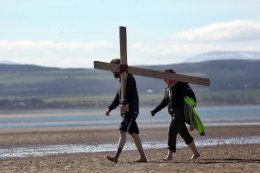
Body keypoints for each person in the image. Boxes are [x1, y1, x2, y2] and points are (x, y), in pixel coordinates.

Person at [150, 69, 200, 161]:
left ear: (173, 76)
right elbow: (165, 101)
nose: (164, 79)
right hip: (173, 113)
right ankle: (196, 153)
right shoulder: (168, 88)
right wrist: (155, 110)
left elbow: (191, 97)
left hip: (180, 113)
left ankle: (170, 156)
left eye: (166, 77)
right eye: (163, 77)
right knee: (184, 134)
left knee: (171, 131)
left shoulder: (181, 84)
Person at [105, 58, 147, 163]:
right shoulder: (121, 79)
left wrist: (125, 104)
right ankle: (143, 157)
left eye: (113, 68)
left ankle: (116, 157)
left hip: (131, 111)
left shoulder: (129, 78)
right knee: (134, 134)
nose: (112, 71)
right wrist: (110, 108)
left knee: (122, 131)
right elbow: (118, 97)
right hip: (125, 112)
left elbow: (131, 95)